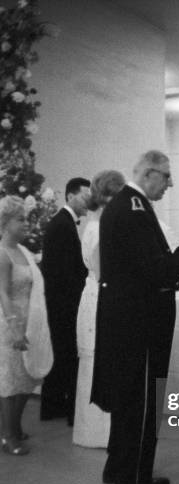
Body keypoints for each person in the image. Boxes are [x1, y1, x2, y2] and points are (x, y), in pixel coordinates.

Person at [91, 150, 179, 484]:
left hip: (127, 317)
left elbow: (141, 270)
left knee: (127, 399)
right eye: (167, 176)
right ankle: (135, 475)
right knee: (141, 400)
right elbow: (157, 269)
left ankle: (118, 467)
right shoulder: (134, 209)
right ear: (149, 174)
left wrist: (169, 278)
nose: (170, 183)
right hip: (140, 323)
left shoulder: (125, 205)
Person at [73, 170, 126, 448]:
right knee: (97, 363)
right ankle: (97, 432)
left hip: (97, 292)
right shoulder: (97, 228)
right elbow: (108, 269)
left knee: (101, 362)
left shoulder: (98, 224)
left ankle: (102, 430)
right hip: (99, 296)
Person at [0, 196, 53, 455]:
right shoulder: (2, 253)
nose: (26, 224)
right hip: (9, 323)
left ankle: (14, 427)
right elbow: (3, 295)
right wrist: (15, 328)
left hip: (29, 320)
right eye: (20, 219)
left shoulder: (23, 251)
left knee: (27, 376)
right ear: (5, 223)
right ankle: (8, 435)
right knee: (11, 381)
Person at [40, 178, 90, 426]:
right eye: (84, 195)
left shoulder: (63, 223)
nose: (88, 200)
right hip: (63, 303)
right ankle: (64, 407)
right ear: (70, 196)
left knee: (62, 355)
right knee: (67, 354)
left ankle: (52, 407)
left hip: (60, 300)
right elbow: (65, 270)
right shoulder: (63, 225)